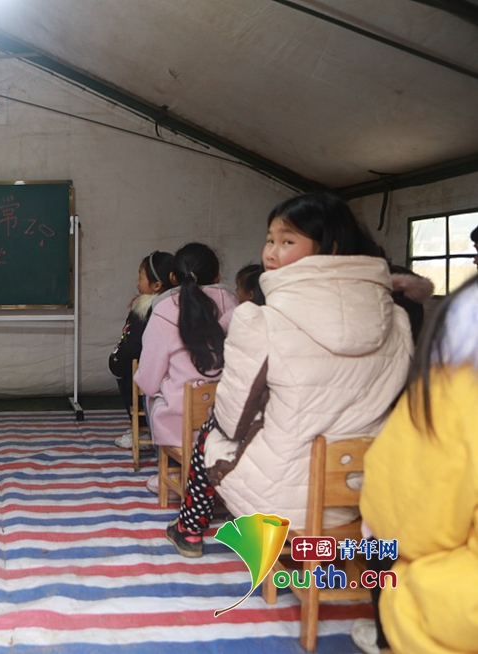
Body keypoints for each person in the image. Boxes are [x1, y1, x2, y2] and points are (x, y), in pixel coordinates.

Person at [165, 193, 413, 558]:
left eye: (287, 242)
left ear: (330, 246)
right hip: (367, 493)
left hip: (283, 498)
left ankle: (189, 529)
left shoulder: (258, 320)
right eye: (270, 240)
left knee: (210, 432)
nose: (270, 253)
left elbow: (233, 421)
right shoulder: (398, 320)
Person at [355, 276, 478, 654]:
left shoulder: (451, 391)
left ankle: (385, 638)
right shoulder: (399, 319)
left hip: (459, 609)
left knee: (381, 539)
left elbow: (402, 516)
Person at [133, 243, 237, 494]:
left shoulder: (164, 311)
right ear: (217, 277)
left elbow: (147, 381)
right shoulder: (233, 305)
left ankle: (174, 471)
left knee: (153, 394)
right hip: (229, 415)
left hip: (181, 421)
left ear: (172, 278)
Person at [108, 251, 174, 450]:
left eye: (140, 277)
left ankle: (143, 429)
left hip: (152, 376)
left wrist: (115, 362)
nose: (137, 282)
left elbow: (132, 346)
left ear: (156, 285)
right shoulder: (181, 305)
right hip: (178, 376)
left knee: (129, 372)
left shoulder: (145, 310)